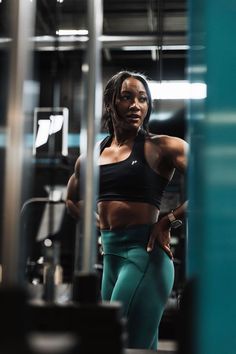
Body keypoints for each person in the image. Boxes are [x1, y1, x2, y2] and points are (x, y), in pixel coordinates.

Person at [66, 70, 188, 350]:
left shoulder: (162, 147)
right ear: (110, 103)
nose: (136, 105)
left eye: (143, 99)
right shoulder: (90, 157)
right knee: (139, 345)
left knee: (118, 342)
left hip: (145, 256)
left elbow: (213, 187)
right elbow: (72, 199)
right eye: (127, 97)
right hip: (111, 259)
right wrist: (97, 223)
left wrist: (168, 221)